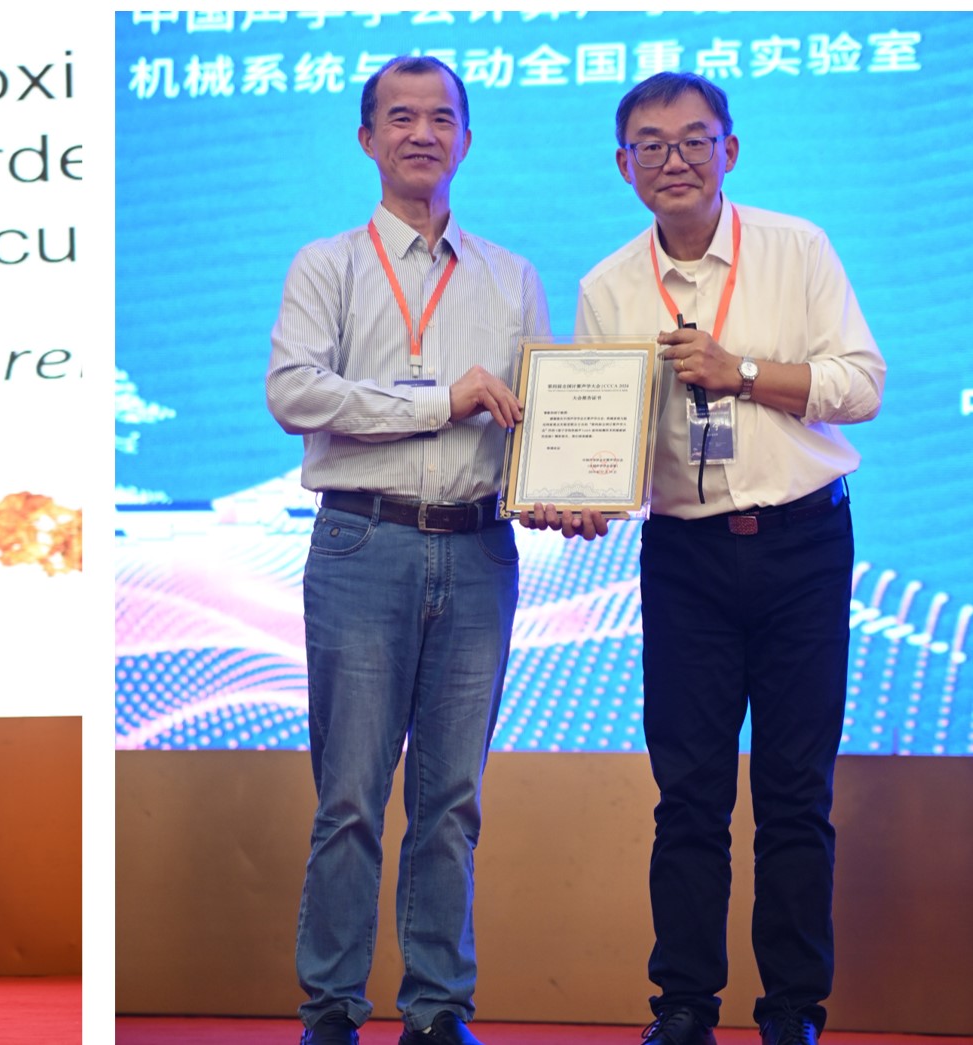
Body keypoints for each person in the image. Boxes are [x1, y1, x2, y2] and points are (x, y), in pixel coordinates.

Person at [546, 71, 883, 1045]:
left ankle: (791, 1009)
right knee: (688, 792)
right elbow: (602, 436)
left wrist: (742, 374)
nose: (675, 160)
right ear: (623, 167)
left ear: (729, 150)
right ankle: (685, 1005)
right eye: (650, 145)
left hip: (802, 542)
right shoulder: (607, 286)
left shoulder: (796, 247)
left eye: (694, 140)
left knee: (793, 791)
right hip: (684, 556)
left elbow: (861, 384)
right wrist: (579, 496)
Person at [264, 55, 546, 1045]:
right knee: (349, 795)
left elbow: (536, 421)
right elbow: (295, 393)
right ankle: (332, 1008)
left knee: (452, 798)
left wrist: (565, 490)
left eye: (440, 118)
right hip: (362, 541)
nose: (421, 133)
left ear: (466, 138)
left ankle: (435, 1008)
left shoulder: (511, 277)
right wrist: (439, 401)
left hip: (478, 549)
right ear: (367, 139)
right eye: (400, 117)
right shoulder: (327, 264)